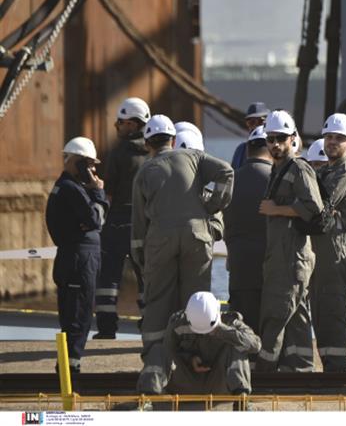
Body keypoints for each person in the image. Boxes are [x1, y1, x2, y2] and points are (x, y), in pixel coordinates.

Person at [132, 115, 235, 393]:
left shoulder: (144, 172)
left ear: (147, 143)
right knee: (196, 301)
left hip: (160, 241)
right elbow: (227, 172)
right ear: (173, 140)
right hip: (196, 237)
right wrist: (212, 206)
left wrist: (141, 260)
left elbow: (139, 225)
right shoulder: (194, 158)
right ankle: (195, 361)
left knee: (158, 302)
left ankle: (155, 366)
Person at [256, 110, 324, 371]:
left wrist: (278, 209)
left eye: (281, 138)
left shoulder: (299, 168)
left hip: (292, 258)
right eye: (271, 139)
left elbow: (314, 207)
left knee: (276, 313)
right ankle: (301, 368)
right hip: (281, 255)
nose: (275, 144)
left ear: (292, 138)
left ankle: (264, 372)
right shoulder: (278, 169)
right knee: (297, 317)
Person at [46, 137, 109, 378]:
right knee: (78, 316)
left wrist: (92, 210)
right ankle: (70, 372)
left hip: (73, 257)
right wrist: (99, 193)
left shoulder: (67, 187)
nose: (93, 170)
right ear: (78, 162)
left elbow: (91, 220)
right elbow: (96, 220)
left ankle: (68, 367)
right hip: (79, 261)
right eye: (89, 164)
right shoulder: (72, 189)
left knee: (74, 315)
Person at [310, 113, 346, 372]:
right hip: (322, 251)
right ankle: (331, 368)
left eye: (339, 138)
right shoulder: (327, 171)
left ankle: (341, 370)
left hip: (337, 252)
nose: (332, 142)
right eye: (329, 137)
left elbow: (320, 206)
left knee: (335, 312)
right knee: (321, 312)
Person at [95, 97, 150, 340]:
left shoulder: (118, 154)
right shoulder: (152, 154)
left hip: (117, 222)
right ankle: (150, 326)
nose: (117, 126)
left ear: (133, 124)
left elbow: (108, 194)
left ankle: (107, 329)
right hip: (143, 225)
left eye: (121, 122)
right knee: (146, 277)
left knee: (108, 277)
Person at [141, 291, 260, 398]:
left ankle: (241, 401)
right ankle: (147, 399)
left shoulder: (230, 322)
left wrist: (221, 330)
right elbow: (169, 353)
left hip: (219, 383)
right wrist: (190, 359)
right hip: (186, 382)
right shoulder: (178, 323)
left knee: (238, 346)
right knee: (158, 350)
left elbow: (255, 345)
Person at [224, 126, 270, 333]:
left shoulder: (231, 180)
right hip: (269, 268)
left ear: (248, 150)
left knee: (241, 328)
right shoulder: (276, 179)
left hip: (238, 266)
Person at [231, 103, 269, 169]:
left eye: (261, 122)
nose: (256, 126)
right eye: (252, 122)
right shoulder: (241, 149)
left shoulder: (276, 147)